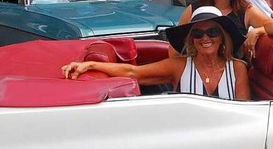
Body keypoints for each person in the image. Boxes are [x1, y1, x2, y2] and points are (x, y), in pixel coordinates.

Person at [61, 6, 250, 100]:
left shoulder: (237, 68)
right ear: (191, 39)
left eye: (213, 32)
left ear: (222, 37)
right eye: (198, 33)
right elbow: (132, 73)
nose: (205, 38)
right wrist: (91, 65)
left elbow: (245, 113)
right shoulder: (179, 65)